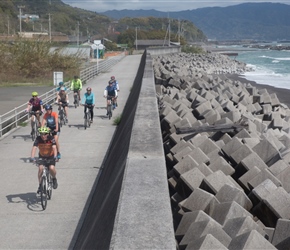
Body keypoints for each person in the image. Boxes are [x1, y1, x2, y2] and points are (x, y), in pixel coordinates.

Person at [30, 126, 58, 194]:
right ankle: (40, 185)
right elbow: (34, 148)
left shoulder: (51, 138)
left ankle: (54, 178)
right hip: (42, 156)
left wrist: (55, 156)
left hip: (50, 156)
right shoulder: (38, 139)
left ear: (47, 134)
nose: (43, 136)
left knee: (51, 168)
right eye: (41, 134)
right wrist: (32, 157)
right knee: (40, 168)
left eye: (45, 134)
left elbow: (54, 148)